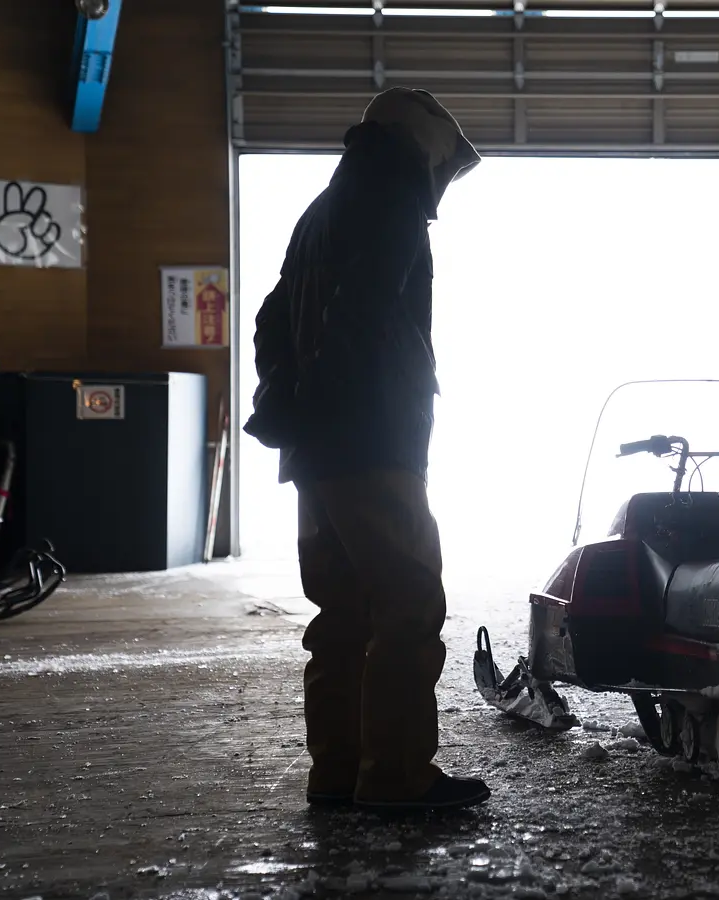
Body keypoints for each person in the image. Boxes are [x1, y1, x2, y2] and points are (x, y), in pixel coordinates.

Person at [243, 88, 490, 812]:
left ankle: (338, 771)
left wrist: (289, 400)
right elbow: (361, 318)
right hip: (371, 440)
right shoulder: (391, 205)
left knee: (340, 615)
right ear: (420, 151)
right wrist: (331, 399)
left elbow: (269, 321)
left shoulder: (320, 212)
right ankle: (397, 777)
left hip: (317, 450)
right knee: (407, 606)